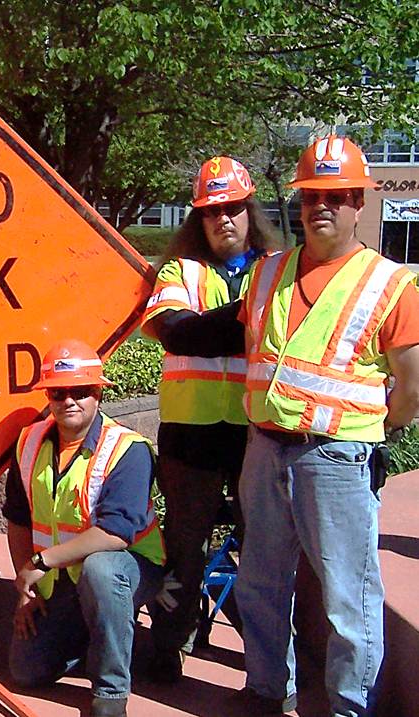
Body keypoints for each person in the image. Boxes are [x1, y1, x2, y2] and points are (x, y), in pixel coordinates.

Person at [181, 135, 419, 716]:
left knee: (347, 598)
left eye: (337, 196)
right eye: (313, 195)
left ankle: (347, 706)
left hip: (335, 457)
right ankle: (267, 689)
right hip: (263, 451)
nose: (323, 207)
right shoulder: (269, 274)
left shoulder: (390, 284)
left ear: (358, 202)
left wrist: (370, 435)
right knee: (261, 584)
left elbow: (411, 388)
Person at [141, 156, 282, 681]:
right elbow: (179, 333)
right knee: (184, 550)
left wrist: (216, 324)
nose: (223, 219)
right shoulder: (180, 271)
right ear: (197, 220)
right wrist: (249, 314)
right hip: (190, 437)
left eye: (233, 208)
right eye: (211, 211)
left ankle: (268, 665)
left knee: (264, 555)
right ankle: (171, 645)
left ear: (250, 211)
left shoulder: (277, 268)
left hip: (255, 434)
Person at [3, 340, 165, 717]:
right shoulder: (29, 443)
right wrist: (25, 588)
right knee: (27, 670)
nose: (69, 401)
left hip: (130, 568)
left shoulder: (128, 449)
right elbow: (18, 519)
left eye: (81, 391)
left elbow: (116, 533)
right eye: (59, 393)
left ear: (98, 394)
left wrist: (41, 562)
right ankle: (106, 635)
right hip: (62, 578)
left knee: (101, 569)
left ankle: (111, 692)